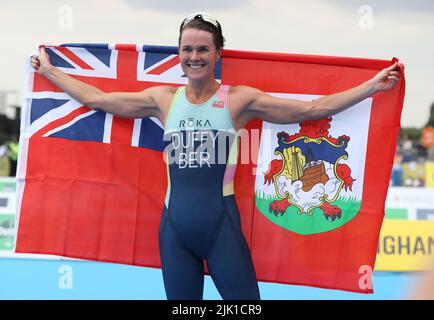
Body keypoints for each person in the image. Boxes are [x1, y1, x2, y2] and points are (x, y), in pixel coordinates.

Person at [31, 12, 401, 300]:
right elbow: (98, 100)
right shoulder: (163, 100)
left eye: (203, 49)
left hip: (220, 229)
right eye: (187, 49)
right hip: (173, 231)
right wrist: (51, 71)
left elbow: (313, 110)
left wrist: (371, 86)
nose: (194, 57)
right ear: (179, 54)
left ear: (217, 54)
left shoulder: (238, 100)